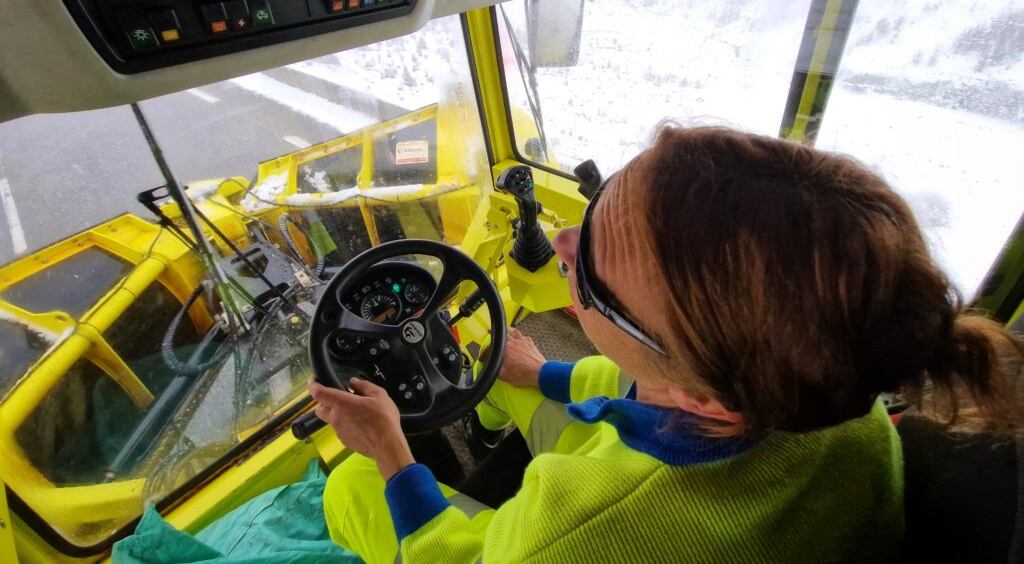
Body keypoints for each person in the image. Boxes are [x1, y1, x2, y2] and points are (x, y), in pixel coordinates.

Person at [310, 125, 1024, 563]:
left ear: (696, 393)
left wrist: (394, 455)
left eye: (590, 264)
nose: (561, 239)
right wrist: (548, 373)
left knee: (349, 486)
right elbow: (641, 383)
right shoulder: (836, 389)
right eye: (601, 205)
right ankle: (498, 418)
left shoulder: (567, 540)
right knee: (508, 372)